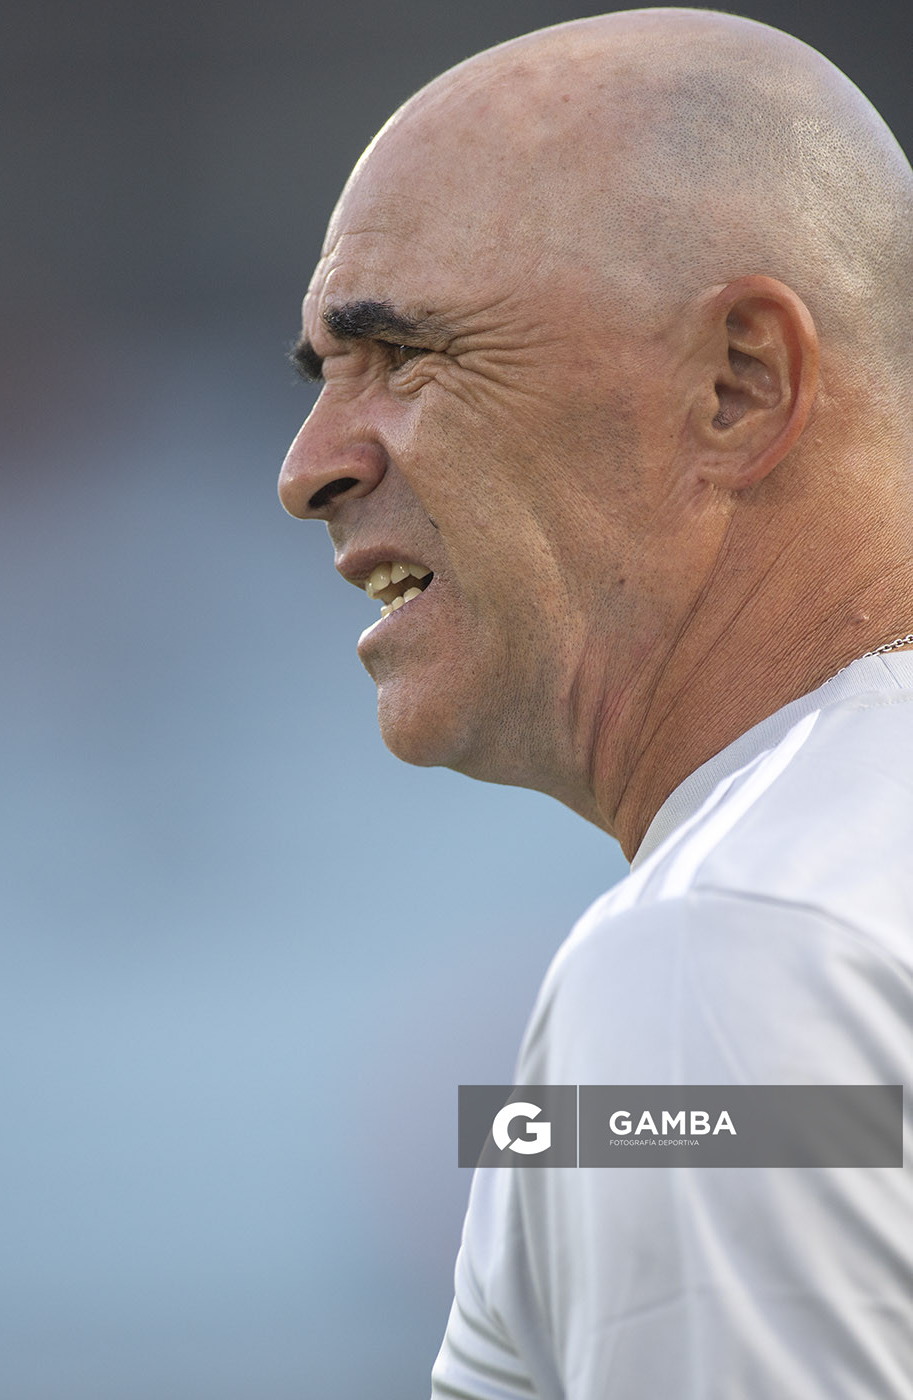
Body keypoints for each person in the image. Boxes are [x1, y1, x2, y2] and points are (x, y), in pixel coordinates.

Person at [279, 8, 913, 1396]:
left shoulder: (727, 948)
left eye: (402, 354)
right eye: (320, 376)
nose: (308, 465)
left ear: (737, 386)